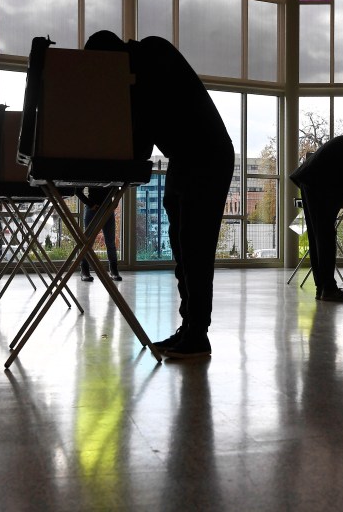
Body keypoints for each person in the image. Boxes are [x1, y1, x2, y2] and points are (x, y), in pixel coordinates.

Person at [85, 30, 235, 359]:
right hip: (189, 156)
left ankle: (197, 334)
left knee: (194, 245)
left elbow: (139, 136)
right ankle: (190, 328)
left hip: (207, 156)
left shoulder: (148, 61)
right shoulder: (146, 60)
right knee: (182, 243)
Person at [290, 135, 343, 303]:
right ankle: (328, 288)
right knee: (325, 236)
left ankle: (322, 288)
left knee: (317, 237)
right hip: (320, 182)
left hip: (310, 179)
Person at [76, 186, 121, 282]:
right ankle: (85, 271)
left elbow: (117, 189)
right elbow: (77, 191)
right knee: (88, 243)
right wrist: (90, 204)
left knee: (109, 242)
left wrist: (115, 203)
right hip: (95, 209)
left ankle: (114, 271)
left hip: (104, 208)